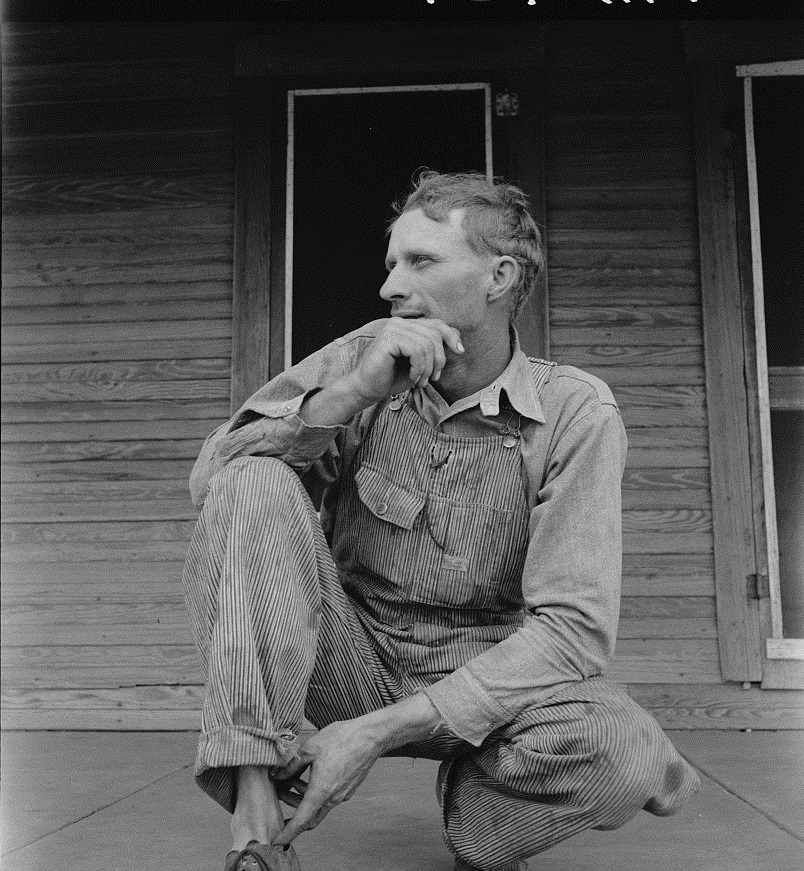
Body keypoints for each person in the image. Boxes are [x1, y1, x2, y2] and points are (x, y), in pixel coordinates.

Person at [183, 171, 700, 871]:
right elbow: (211, 481)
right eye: (392, 262)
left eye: (421, 261)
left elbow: (573, 633)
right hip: (348, 655)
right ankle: (254, 826)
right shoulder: (367, 354)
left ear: (499, 276)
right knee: (250, 474)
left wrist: (370, 735)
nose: (392, 286)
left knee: (626, 752)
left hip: (489, 679)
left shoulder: (578, 411)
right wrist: (350, 393)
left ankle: (480, 818)